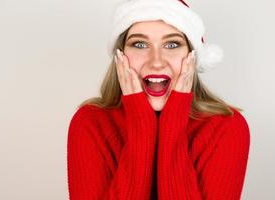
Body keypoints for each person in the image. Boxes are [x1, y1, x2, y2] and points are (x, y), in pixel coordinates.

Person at [67, 0, 251, 199]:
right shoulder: (90, 122)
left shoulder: (226, 126)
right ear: (120, 56)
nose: (156, 62)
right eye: (140, 44)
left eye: (172, 44)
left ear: (192, 56)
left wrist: (173, 122)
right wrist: (141, 125)